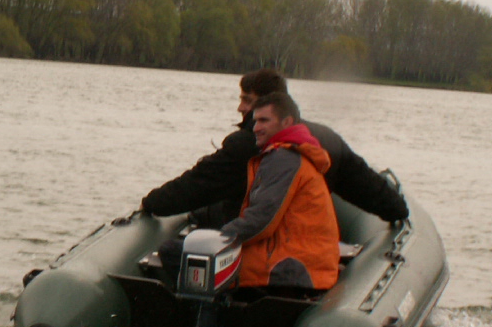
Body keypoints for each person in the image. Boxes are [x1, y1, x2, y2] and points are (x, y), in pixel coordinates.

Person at [140, 68, 408, 226]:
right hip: (306, 250)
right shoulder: (326, 140)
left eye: (247, 101)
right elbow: (365, 185)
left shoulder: (247, 146)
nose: (240, 107)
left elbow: (196, 185)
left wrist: (150, 203)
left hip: (259, 249)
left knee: (175, 250)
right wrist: (397, 209)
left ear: (269, 106)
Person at [219, 92, 340, 290]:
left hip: (285, 270)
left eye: (264, 121)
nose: (256, 128)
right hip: (308, 267)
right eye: (255, 121)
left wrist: (218, 239)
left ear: (287, 122)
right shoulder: (295, 154)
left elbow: (260, 221)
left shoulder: (283, 158)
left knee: (176, 252)